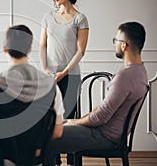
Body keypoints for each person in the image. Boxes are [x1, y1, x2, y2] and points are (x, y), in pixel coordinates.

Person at [49, 21, 148, 165]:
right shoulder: (140, 72)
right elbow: (104, 108)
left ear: (124, 45)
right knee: (54, 125)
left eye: (116, 40)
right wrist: (74, 122)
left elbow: (100, 117)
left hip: (103, 137)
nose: (114, 43)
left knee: (47, 135)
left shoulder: (125, 76)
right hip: (110, 134)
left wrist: (75, 122)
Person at [0, 24, 64, 165]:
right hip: (36, 161)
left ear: (5, 49)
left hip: (0, 160)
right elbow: (57, 133)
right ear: (30, 49)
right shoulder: (51, 87)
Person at [40, 0, 89, 165]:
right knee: (51, 118)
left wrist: (65, 72)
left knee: (69, 119)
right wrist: (46, 70)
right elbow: (43, 46)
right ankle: (54, 161)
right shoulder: (48, 16)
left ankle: (72, 161)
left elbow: (81, 51)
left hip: (71, 76)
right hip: (50, 76)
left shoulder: (80, 18)